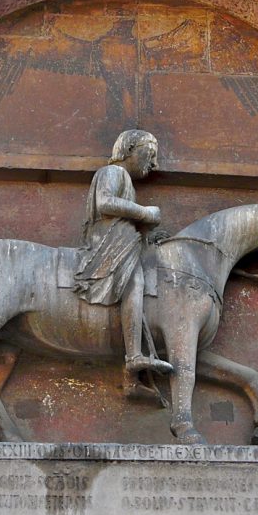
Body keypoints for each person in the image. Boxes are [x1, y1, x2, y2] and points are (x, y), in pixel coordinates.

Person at [73, 130, 174, 378]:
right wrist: (145, 213)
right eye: (149, 154)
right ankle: (134, 355)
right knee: (135, 280)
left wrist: (148, 237)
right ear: (130, 150)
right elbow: (105, 203)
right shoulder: (113, 172)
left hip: (118, 242)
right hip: (106, 244)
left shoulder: (123, 179)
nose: (154, 163)